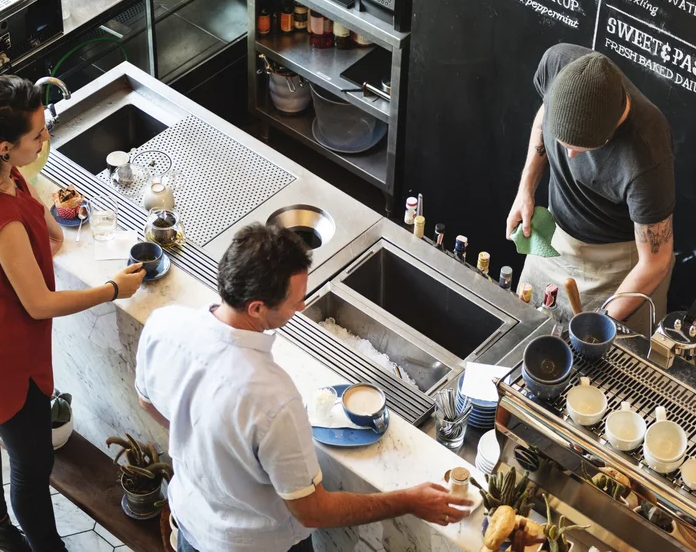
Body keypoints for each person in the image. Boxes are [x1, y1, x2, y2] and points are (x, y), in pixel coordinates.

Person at [135, 224, 471, 552]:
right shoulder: (273, 400)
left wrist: (207, 445)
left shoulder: (164, 324)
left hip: (190, 526)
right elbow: (313, 511)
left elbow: (146, 401)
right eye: (296, 301)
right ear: (256, 308)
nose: (302, 307)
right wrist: (408, 500)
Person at [0, 76, 146, 552]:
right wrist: (112, 289)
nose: (46, 140)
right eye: (38, 135)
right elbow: (39, 302)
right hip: (7, 357)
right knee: (31, 465)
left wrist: (43, 206)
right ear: (4, 147)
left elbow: (52, 237)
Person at [506, 44, 675, 330]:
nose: (570, 156)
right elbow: (544, 114)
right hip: (555, 240)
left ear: (611, 134)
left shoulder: (647, 155)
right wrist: (526, 188)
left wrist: (602, 324)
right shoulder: (557, 64)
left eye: (582, 149)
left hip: (619, 267)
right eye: (563, 144)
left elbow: (656, 262)